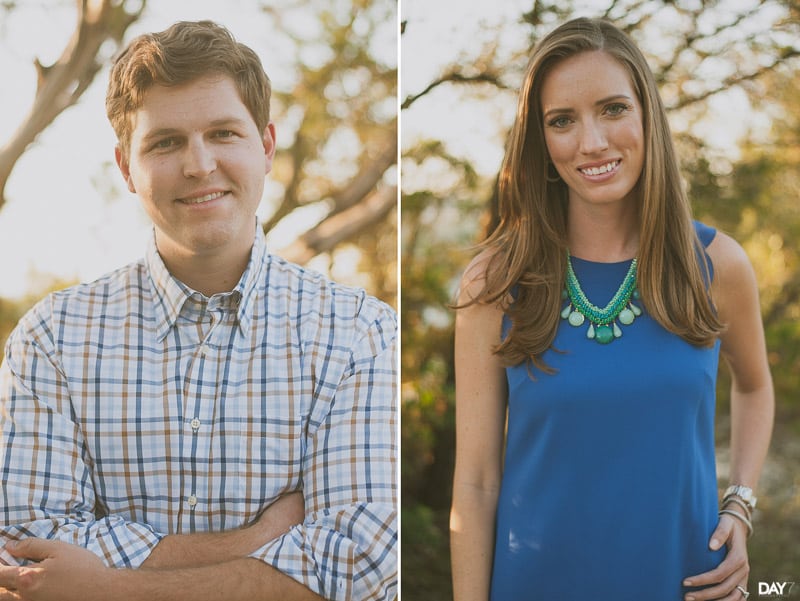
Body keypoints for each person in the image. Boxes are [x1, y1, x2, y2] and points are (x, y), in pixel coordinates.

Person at [0, 20, 396, 601]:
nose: (198, 164)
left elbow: (358, 565)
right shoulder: (53, 338)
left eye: (223, 134)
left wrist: (104, 585)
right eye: (165, 142)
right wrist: (261, 539)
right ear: (125, 167)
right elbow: (26, 549)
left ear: (265, 146)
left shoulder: (360, 332)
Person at [450, 17, 773, 601]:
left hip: (684, 582)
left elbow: (754, 387)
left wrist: (740, 504)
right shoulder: (495, 281)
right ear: (540, 142)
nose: (592, 142)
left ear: (647, 114)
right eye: (562, 121)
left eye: (613, 109)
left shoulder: (718, 265)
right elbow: (474, 485)